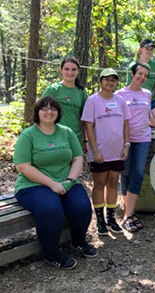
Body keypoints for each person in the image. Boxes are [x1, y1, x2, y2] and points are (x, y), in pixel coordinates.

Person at [14, 96, 97, 270]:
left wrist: (69, 180)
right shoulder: (28, 135)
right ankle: (52, 253)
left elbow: (77, 158)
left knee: (81, 206)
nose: (49, 111)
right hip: (33, 185)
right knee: (51, 210)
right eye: (44, 108)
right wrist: (52, 184)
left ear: (58, 113)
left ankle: (78, 242)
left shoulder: (66, 132)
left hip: (66, 181)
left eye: (53, 108)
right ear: (37, 112)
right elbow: (23, 167)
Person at [116, 63, 155, 232]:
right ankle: (130, 212)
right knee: (125, 173)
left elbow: (149, 119)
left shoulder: (147, 94)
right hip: (125, 139)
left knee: (137, 174)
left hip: (143, 138)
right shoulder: (119, 94)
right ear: (132, 73)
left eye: (145, 75)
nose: (142, 77)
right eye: (140, 74)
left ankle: (128, 215)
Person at [81, 68, 130, 236]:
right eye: (107, 79)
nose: (110, 83)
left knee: (113, 183)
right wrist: (95, 151)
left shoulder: (121, 101)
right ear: (101, 81)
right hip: (100, 151)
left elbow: (125, 124)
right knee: (99, 184)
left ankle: (111, 218)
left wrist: (126, 145)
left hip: (117, 151)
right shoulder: (92, 101)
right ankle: (100, 220)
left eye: (113, 80)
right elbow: (88, 125)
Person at [42, 56, 88, 146]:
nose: (70, 73)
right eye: (67, 69)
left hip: (76, 138)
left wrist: (85, 140)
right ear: (61, 70)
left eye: (73, 69)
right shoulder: (53, 90)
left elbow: (84, 119)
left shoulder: (81, 92)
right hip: (54, 137)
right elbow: (41, 113)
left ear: (78, 71)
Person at [126, 39, 155, 123]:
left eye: (151, 49)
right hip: (137, 100)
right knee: (140, 119)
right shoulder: (132, 66)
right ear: (140, 49)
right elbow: (129, 87)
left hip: (152, 100)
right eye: (147, 49)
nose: (149, 51)